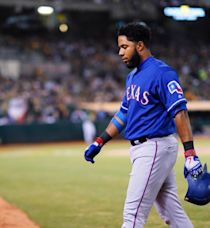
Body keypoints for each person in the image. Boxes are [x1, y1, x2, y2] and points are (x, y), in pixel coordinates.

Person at [83, 22, 203, 228]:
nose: (119, 52)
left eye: (124, 47)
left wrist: (190, 153)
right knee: (171, 213)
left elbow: (180, 111)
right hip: (145, 149)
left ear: (139, 46)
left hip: (154, 147)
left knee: (133, 215)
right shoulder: (132, 77)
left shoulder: (162, 73)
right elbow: (124, 114)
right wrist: (100, 141)